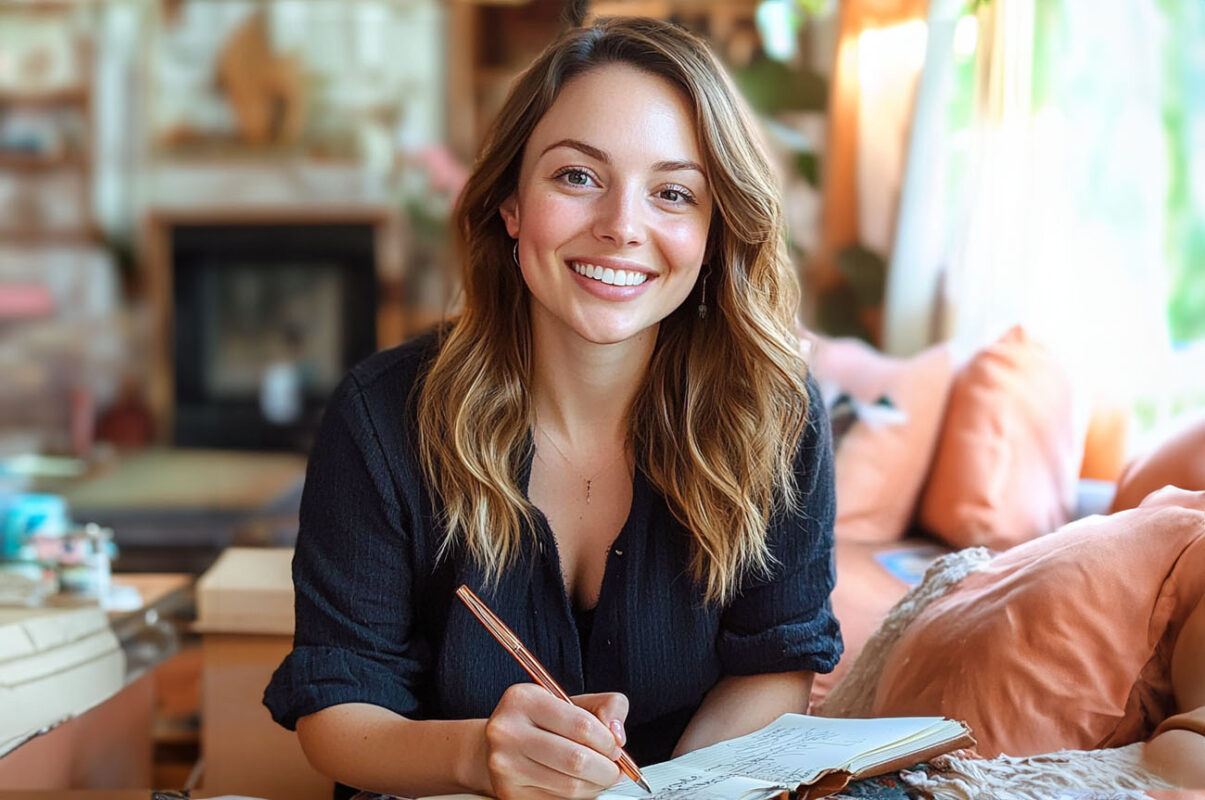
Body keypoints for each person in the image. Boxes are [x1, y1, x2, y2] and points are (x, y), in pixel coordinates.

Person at [263, 16, 842, 800]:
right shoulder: (381, 416)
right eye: (576, 177)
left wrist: (668, 793)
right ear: (508, 203)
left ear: (714, 230)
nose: (620, 227)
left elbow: (773, 665)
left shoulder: (775, 414)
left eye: (673, 193)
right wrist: (474, 757)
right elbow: (338, 711)